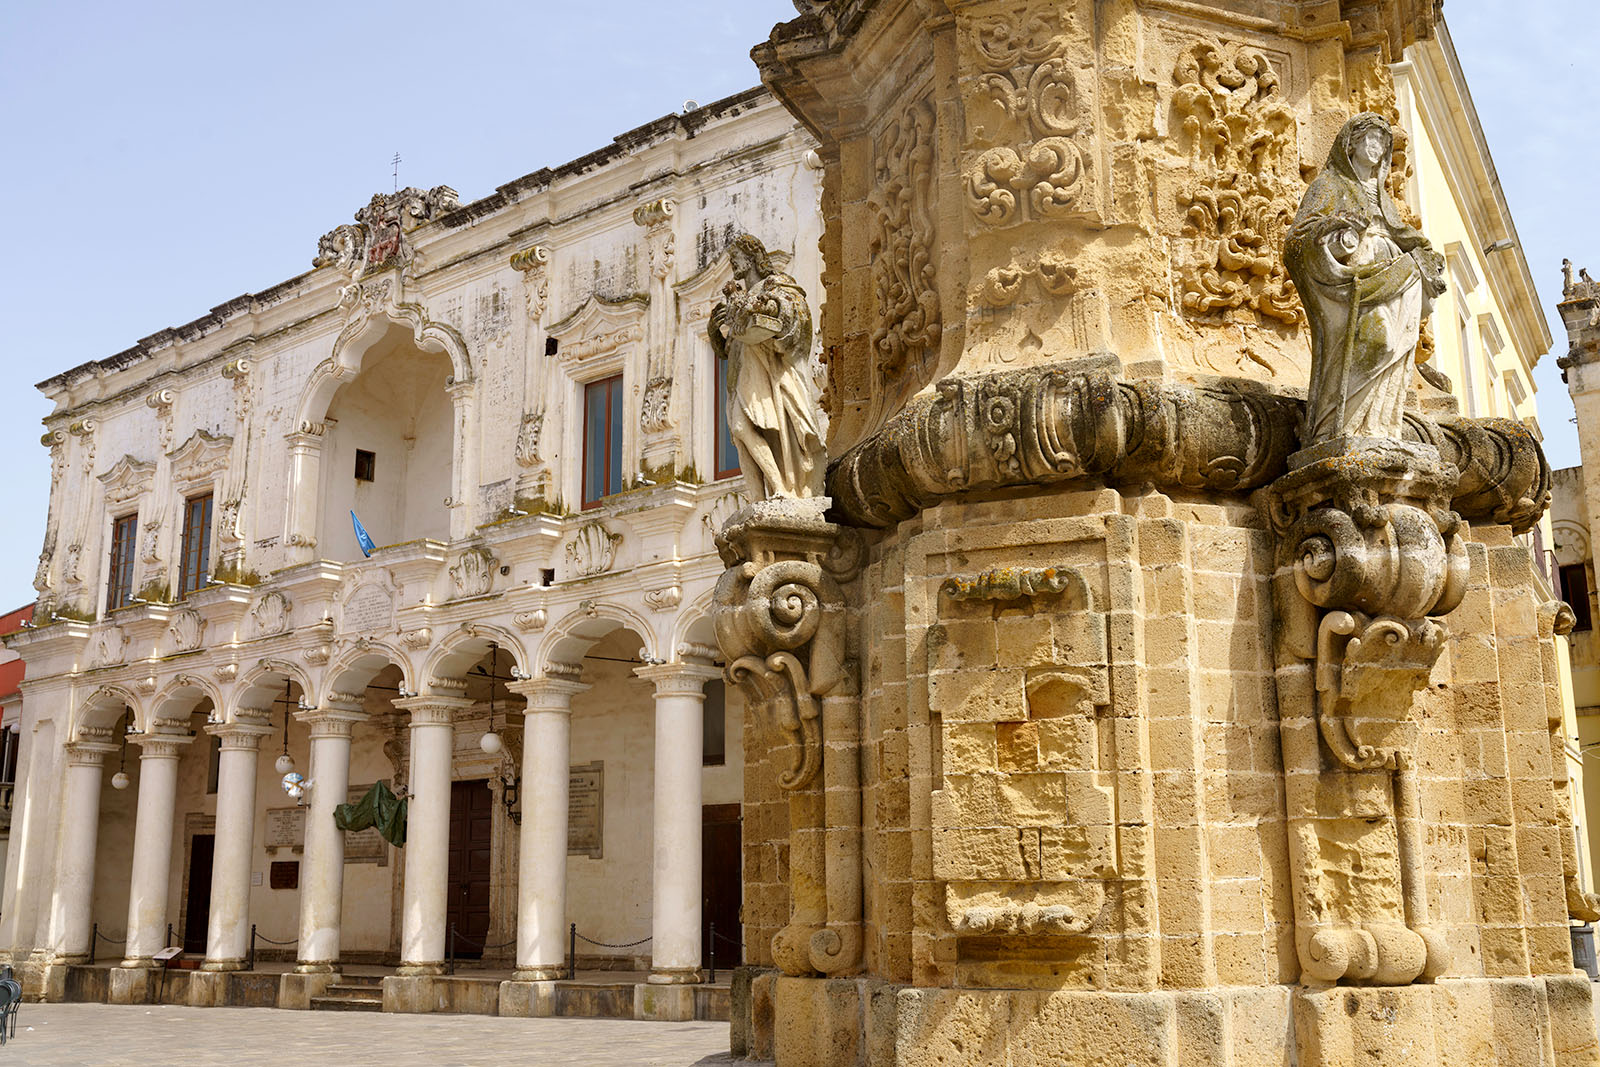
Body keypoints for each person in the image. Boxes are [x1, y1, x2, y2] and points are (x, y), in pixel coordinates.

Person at [1285, 113, 1446, 446]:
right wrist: (1335, 234)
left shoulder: (1384, 199)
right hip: (1355, 275)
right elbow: (1297, 239)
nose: (1375, 148)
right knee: (1378, 342)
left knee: (1396, 347)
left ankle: (1378, 426)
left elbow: (1403, 235)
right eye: (1370, 139)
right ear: (1352, 144)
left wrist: (1423, 253)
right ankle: (1335, 425)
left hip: (1394, 275)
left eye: (1382, 144)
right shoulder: (1329, 185)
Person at [708, 235, 826, 499]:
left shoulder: (775, 285)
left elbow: (795, 314)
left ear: (751, 257)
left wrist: (770, 306)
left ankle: (782, 489)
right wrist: (715, 329)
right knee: (740, 435)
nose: (733, 264)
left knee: (745, 428)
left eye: (735, 257)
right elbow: (727, 349)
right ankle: (759, 499)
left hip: (767, 373)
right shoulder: (739, 299)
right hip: (742, 373)